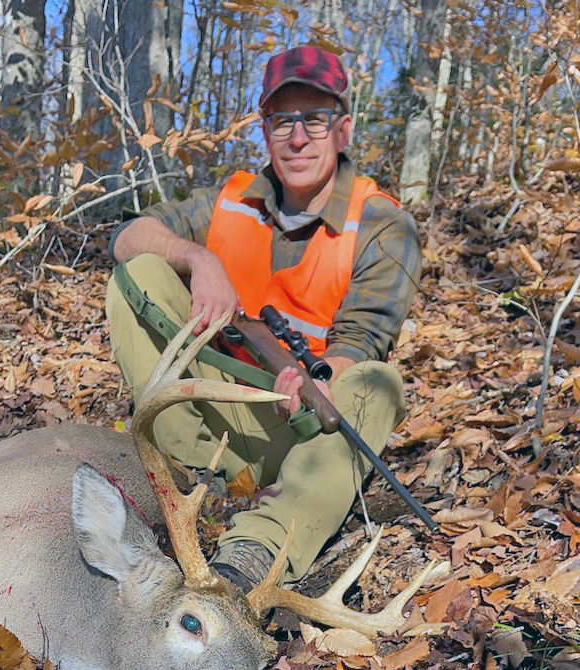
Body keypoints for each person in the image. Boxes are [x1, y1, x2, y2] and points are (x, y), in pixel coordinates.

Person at [105, 44, 421, 594]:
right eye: (282, 120)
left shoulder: (383, 223)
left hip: (304, 432)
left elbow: (363, 340)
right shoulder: (227, 200)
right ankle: (192, 484)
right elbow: (127, 235)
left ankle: (255, 552)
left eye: (315, 119)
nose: (298, 138)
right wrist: (198, 259)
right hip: (212, 411)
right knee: (141, 272)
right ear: (265, 129)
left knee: (379, 384)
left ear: (343, 130)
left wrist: (314, 383)